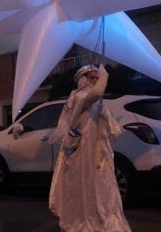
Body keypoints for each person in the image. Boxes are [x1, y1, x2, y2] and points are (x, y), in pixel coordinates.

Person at [48, 64, 131, 232]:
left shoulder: (98, 103)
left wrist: (103, 118)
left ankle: (102, 219)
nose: (95, 81)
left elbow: (112, 130)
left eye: (97, 78)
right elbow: (97, 93)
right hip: (81, 154)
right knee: (82, 187)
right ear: (82, 80)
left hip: (99, 153)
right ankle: (82, 219)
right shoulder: (77, 98)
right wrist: (104, 74)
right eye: (92, 78)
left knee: (102, 186)